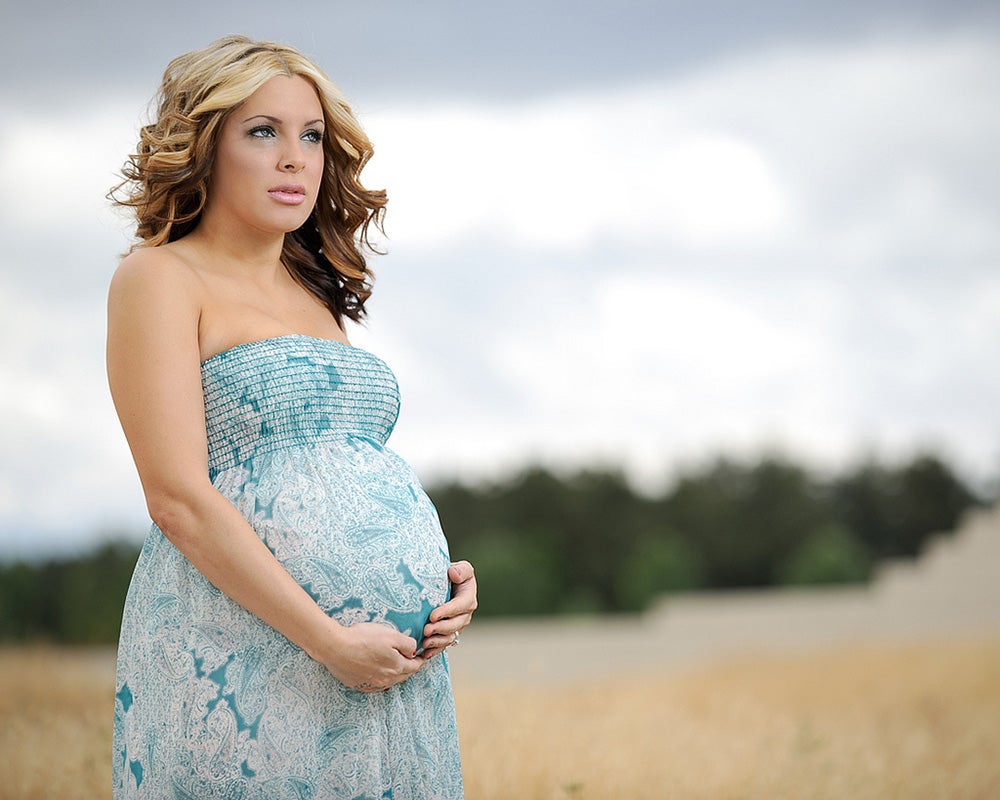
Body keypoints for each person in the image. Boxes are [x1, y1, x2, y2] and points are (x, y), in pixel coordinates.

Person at [106, 35, 476, 799]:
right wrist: (330, 640)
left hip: (384, 676)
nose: (295, 158)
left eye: (311, 136)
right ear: (204, 148)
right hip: (249, 652)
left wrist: (438, 585)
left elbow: (336, 472)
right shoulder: (160, 278)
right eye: (263, 131)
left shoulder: (315, 294)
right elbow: (176, 496)